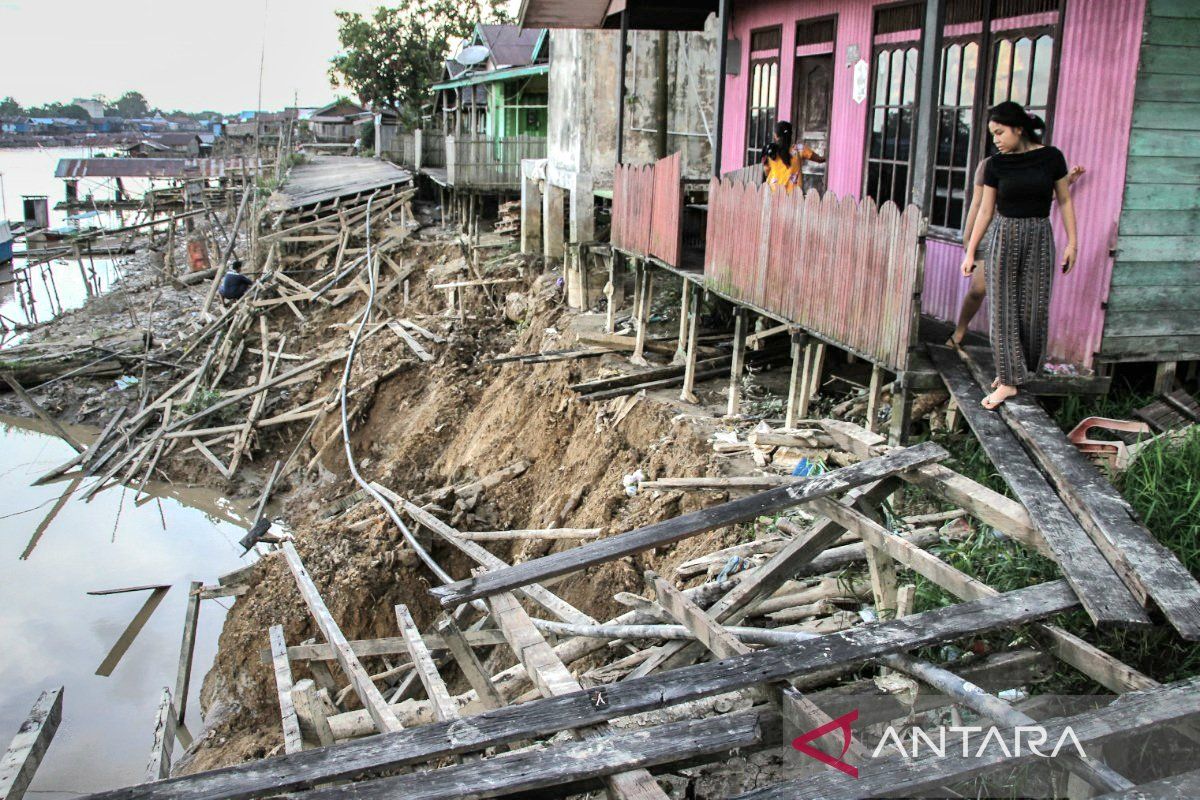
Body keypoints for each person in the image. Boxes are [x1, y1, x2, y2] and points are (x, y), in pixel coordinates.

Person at [960, 101, 1078, 410]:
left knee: (1034, 308)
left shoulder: (1051, 157)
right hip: (1004, 235)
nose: (996, 139)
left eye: (1000, 132)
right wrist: (971, 250)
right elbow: (986, 210)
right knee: (1003, 308)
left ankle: (1018, 371)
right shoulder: (995, 165)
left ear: (1018, 128)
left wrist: (1072, 243)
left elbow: (1064, 200)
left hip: (1039, 235)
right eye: (993, 134)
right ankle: (1008, 380)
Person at [947, 159, 1085, 347]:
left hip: (1018, 234)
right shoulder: (988, 165)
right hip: (987, 231)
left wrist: (1068, 180)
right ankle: (960, 330)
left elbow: (1038, 198)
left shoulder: (1034, 166)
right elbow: (977, 203)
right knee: (978, 289)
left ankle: (1008, 345)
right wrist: (968, 238)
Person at [762, 120, 826, 192]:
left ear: (775, 136)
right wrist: (825, 154)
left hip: (773, 192)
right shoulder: (799, 149)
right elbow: (820, 159)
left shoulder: (771, 150)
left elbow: (766, 170)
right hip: (794, 195)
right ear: (790, 135)